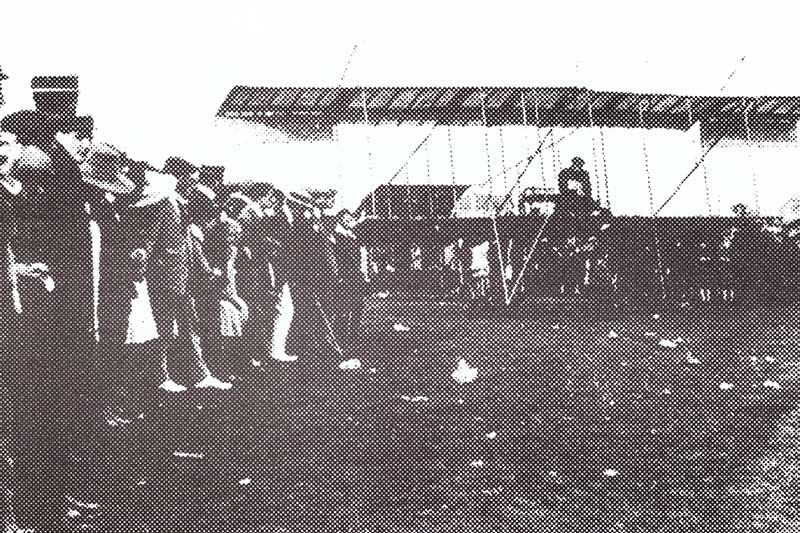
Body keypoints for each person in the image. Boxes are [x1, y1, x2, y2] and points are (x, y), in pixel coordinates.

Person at [130, 163, 231, 392]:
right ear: (177, 178)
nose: (194, 185)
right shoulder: (164, 203)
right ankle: (162, 377)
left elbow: (189, 244)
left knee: (189, 325)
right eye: (190, 180)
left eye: (196, 180)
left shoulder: (181, 204)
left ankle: (199, 374)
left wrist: (204, 272)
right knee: (164, 330)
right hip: (164, 277)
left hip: (183, 278)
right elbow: (150, 240)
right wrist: (141, 270)